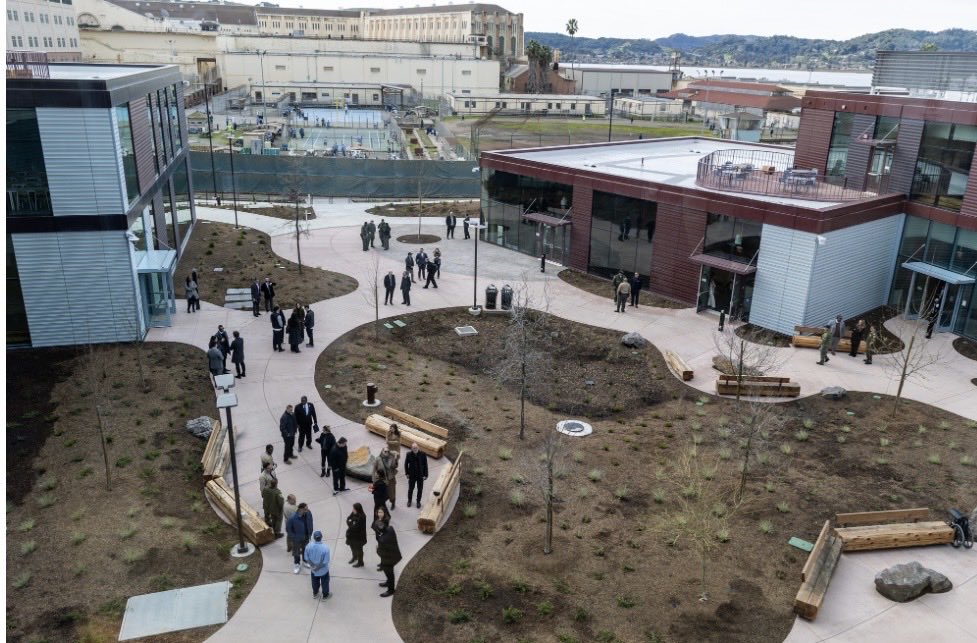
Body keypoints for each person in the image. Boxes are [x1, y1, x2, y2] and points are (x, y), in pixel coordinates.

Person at [376, 520, 402, 597]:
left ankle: (391, 590)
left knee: (389, 573)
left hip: (389, 559)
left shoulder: (382, 540)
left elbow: (380, 553)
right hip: (395, 555)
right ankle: (388, 582)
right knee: (388, 572)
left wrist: (377, 549)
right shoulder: (391, 528)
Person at [286, 503, 314, 574]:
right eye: (305, 509)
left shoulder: (308, 513)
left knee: (305, 550)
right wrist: (294, 537)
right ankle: (297, 564)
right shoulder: (292, 518)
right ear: (300, 509)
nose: (307, 510)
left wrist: (310, 531)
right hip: (297, 539)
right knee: (296, 552)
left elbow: (311, 521)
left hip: (306, 536)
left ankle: (305, 561)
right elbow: (288, 529)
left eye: (307, 509)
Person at [304, 531, 331, 600]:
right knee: (325, 583)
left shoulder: (308, 546)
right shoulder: (325, 548)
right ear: (321, 537)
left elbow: (306, 558)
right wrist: (318, 567)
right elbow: (325, 562)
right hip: (323, 571)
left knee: (314, 582)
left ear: (313, 538)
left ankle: (315, 593)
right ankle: (325, 596)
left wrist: (314, 567)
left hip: (313, 570)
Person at [404, 442, 428, 509]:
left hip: (420, 475)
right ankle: (409, 500)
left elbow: (425, 465)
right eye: (413, 448)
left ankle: (418, 502)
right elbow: (406, 464)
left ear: (418, 447)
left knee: (420, 489)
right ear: (411, 448)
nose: (415, 449)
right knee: (410, 489)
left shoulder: (423, 454)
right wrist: (407, 473)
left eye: (416, 448)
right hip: (412, 475)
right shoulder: (408, 454)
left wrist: (425, 475)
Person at [346, 503, 368, 567]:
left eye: (354, 509)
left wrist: (351, 522)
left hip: (359, 537)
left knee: (359, 549)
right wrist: (351, 522)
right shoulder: (354, 512)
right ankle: (354, 557)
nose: (352, 510)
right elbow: (348, 519)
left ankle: (360, 562)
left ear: (357, 509)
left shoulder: (362, 517)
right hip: (352, 535)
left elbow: (355, 527)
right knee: (352, 546)